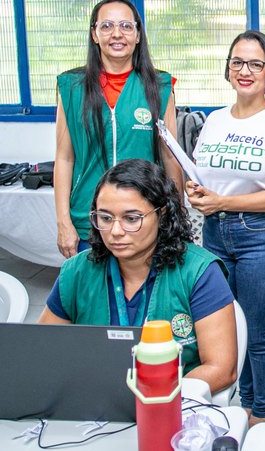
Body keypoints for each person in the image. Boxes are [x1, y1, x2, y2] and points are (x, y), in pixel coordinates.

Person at [186, 30, 265, 426]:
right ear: (228, 69)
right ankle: (240, 405)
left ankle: (260, 414)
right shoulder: (215, 121)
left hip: (262, 237)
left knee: (257, 331)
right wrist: (195, 191)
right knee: (224, 329)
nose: (245, 70)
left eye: (256, 63)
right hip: (214, 234)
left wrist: (223, 202)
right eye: (237, 62)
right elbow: (204, 176)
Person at [39, 159, 237, 394]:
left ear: (162, 214)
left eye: (131, 219)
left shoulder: (199, 272)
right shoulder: (77, 271)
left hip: (173, 404)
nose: (115, 231)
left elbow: (220, 369)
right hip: (92, 400)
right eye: (105, 218)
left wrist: (146, 396)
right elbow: (44, 351)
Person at [54, 0, 182, 259]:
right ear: (94, 34)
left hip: (144, 218)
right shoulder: (71, 87)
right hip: (89, 219)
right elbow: (65, 158)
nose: (116, 34)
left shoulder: (160, 86)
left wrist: (176, 217)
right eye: (106, 26)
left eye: (126, 26)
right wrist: (63, 222)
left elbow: (170, 157)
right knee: (93, 285)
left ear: (138, 34)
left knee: (145, 286)